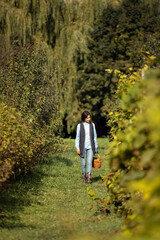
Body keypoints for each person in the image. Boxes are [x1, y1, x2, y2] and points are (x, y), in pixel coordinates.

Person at [75, 111, 98, 184]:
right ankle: (84, 178)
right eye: (87, 117)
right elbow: (77, 138)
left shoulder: (92, 125)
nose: (89, 119)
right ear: (84, 118)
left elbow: (95, 136)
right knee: (83, 163)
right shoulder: (79, 126)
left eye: (89, 117)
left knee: (89, 162)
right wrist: (77, 148)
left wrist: (96, 146)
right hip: (82, 147)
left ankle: (88, 178)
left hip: (90, 147)